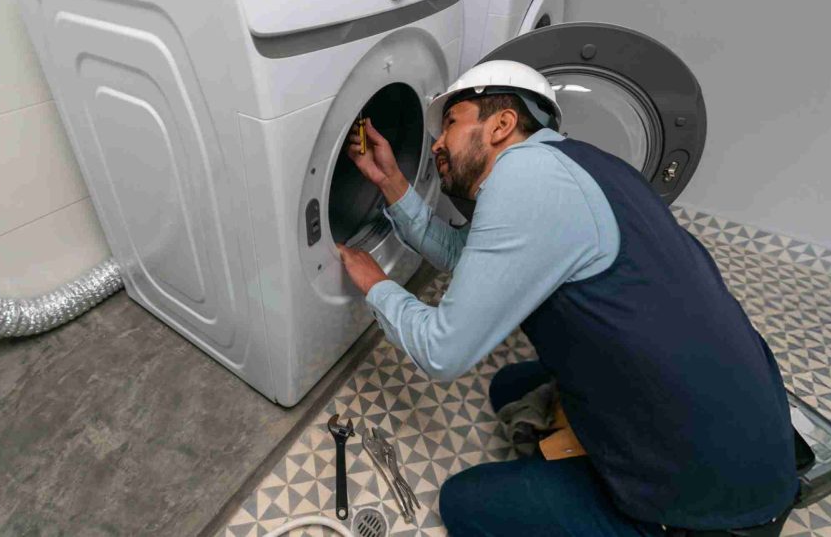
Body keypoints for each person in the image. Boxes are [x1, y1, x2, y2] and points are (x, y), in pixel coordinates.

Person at [335, 61, 798, 536]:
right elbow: (469, 256)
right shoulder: (579, 164)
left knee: (465, 504)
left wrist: (377, 284)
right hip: (746, 430)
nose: (435, 144)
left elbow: (442, 351)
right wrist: (392, 184)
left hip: (717, 507)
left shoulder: (523, 179)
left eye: (450, 123)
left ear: (501, 124)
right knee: (508, 388)